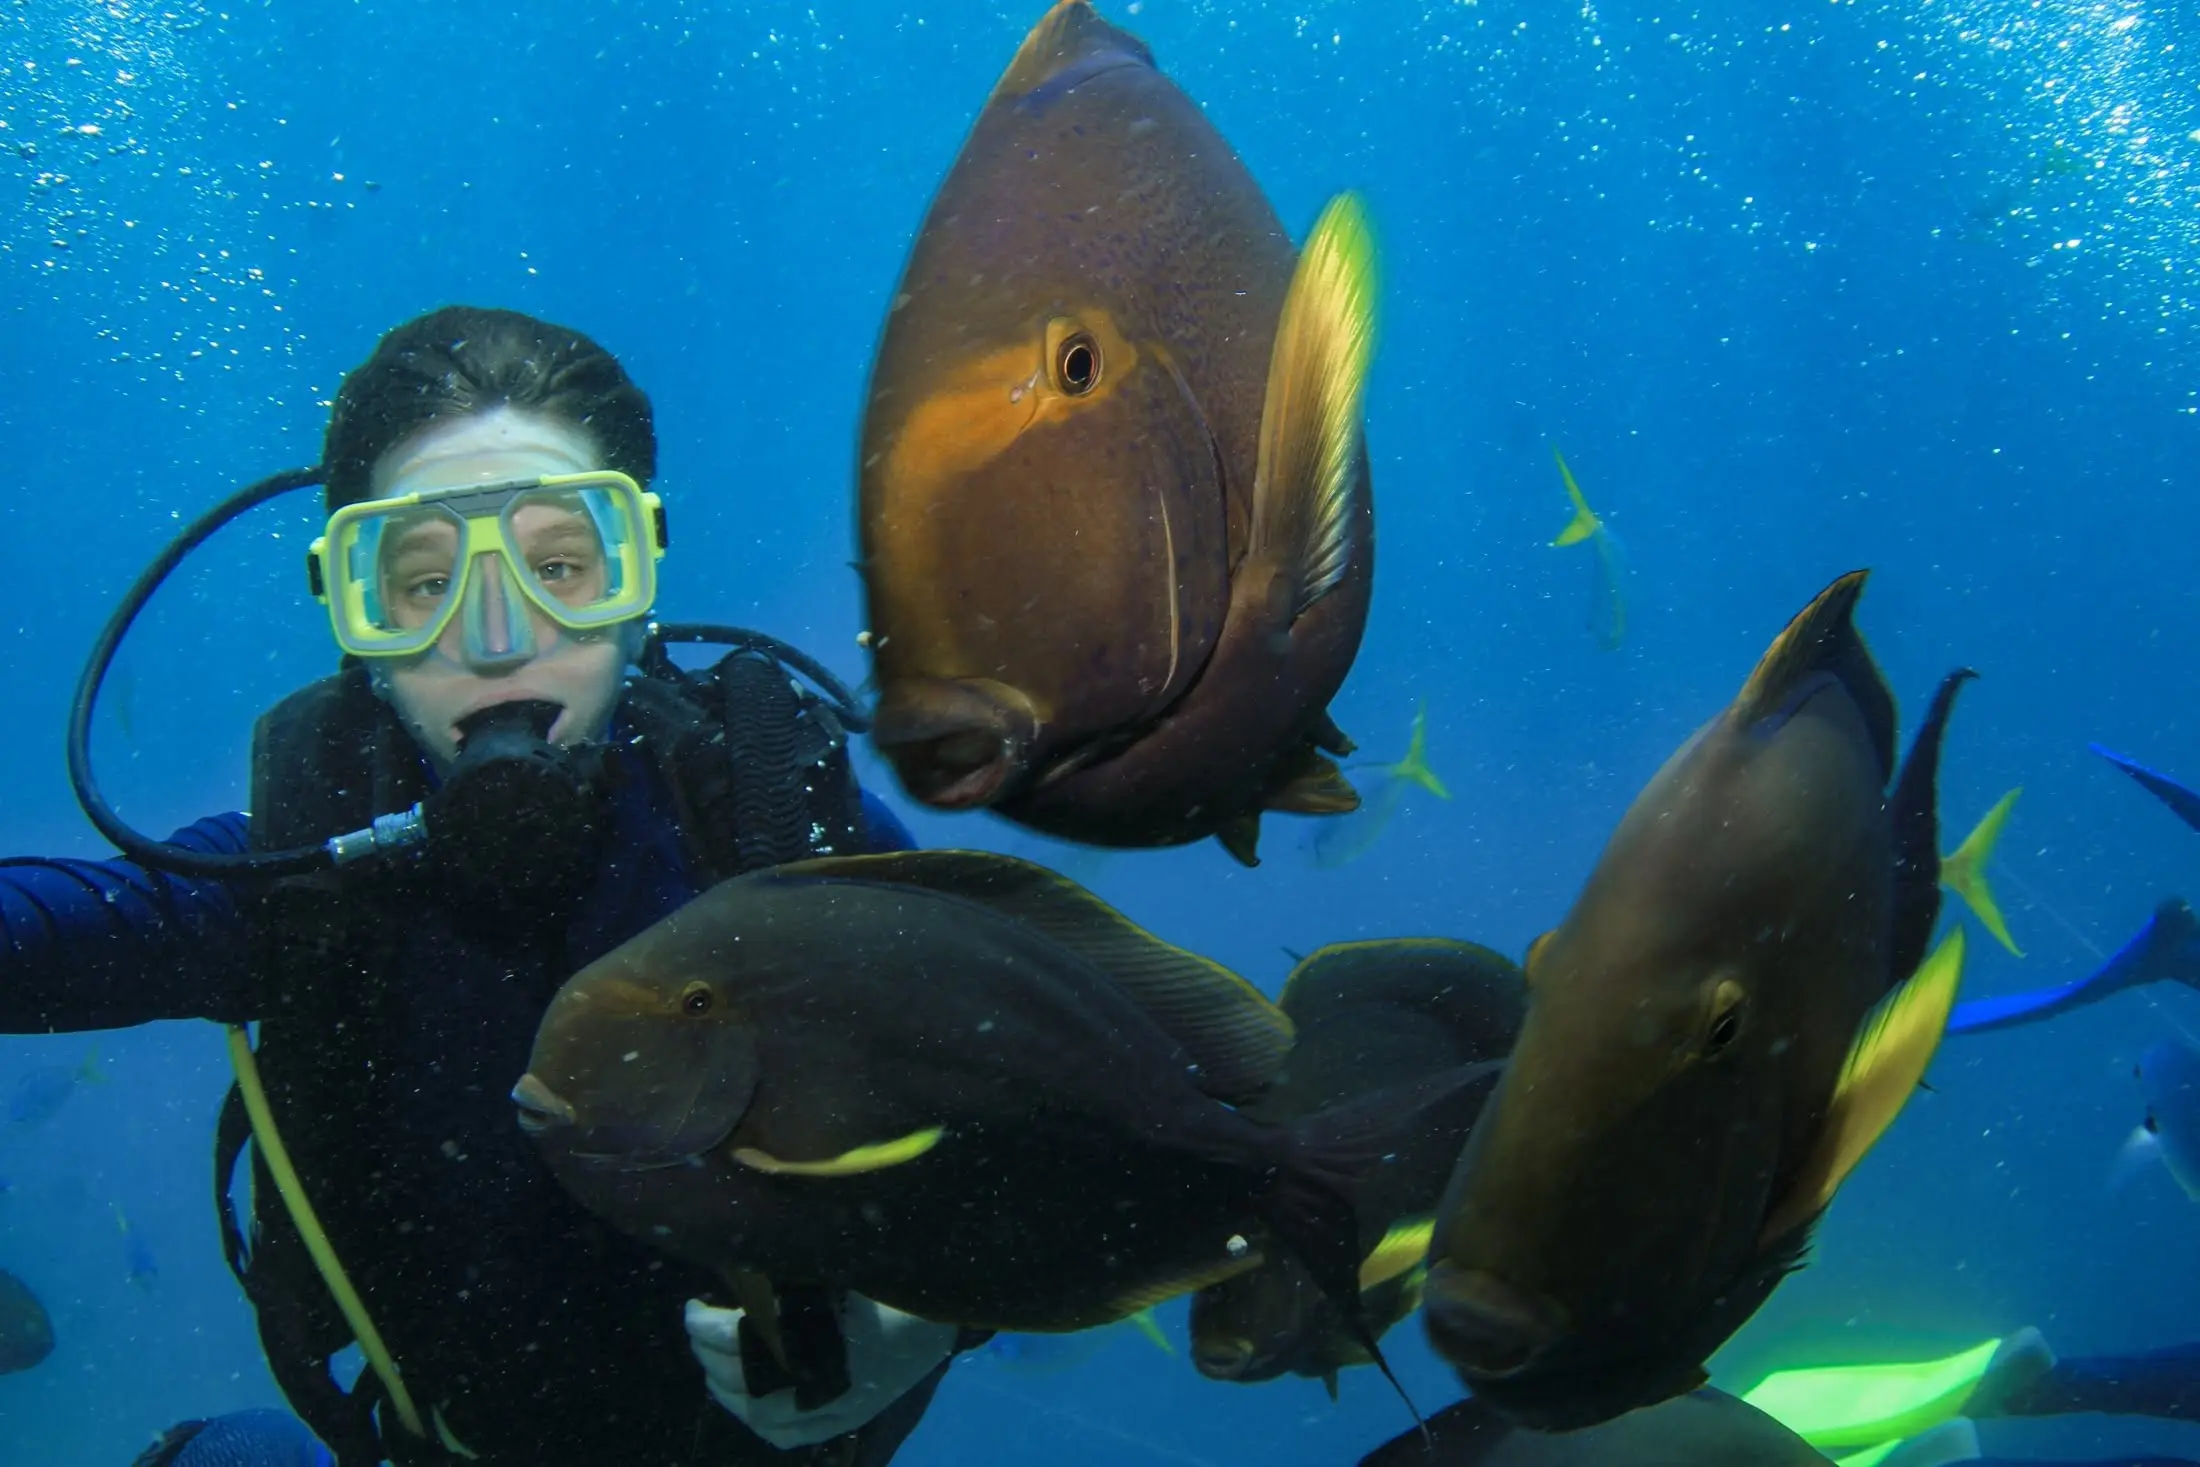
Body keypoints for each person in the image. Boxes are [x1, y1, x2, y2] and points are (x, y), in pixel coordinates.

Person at [0, 306, 969, 1467]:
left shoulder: (781, 832)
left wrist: (938, 1306)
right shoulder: (307, 871)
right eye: (420, 585)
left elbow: (1069, 1113)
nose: (500, 638)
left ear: (637, 575)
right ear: (353, 618)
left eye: (561, 566)